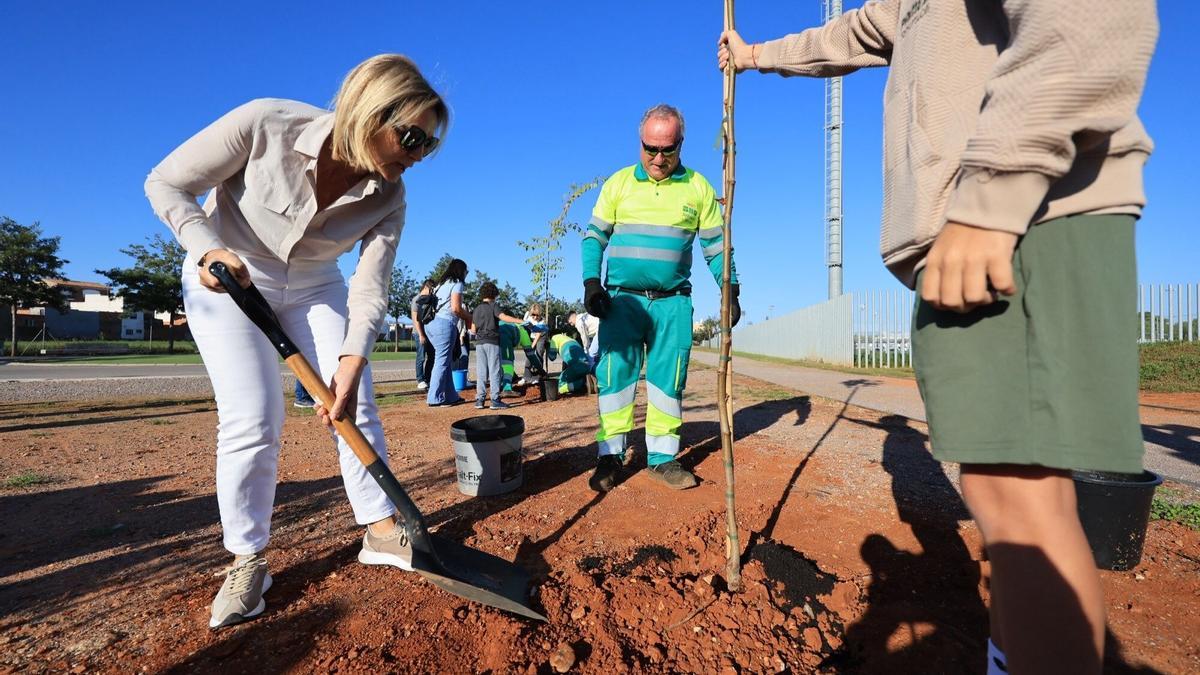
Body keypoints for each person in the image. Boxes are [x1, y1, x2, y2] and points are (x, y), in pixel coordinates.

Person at [719, 2, 1157, 672]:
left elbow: (1092, 15)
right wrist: (751, 56)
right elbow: (851, 33)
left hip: (1026, 215)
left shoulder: (999, 203)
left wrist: (990, 198)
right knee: (1009, 499)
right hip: (999, 219)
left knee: (1024, 504)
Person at [144, 54, 448, 629]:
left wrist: (354, 358)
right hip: (230, 274)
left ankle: (381, 528)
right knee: (253, 418)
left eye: (426, 146)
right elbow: (166, 182)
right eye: (410, 138)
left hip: (315, 284)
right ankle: (248, 558)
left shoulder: (391, 197)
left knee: (356, 402)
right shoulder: (265, 123)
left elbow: (370, 285)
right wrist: (206, 246)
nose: (415, 156)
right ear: (369, 112)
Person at [582, 103, 741, 492]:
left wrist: (730, 289)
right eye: (649, 148)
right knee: (615, 379)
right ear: (640, 143)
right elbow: (594, 238)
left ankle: (662, 459)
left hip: (673, 302)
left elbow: (716, 249)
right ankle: (610, 456)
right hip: (622, 302)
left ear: (680, 145)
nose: (657, 158)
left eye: (666, 150)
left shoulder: (698, 188)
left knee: (668, 381)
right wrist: (591, 284)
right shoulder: (618, 184)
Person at [470, 282, 524, 409]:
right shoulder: (493, 306)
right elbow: (503, 317)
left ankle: (480, 400)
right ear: (494, 294)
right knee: (495, 370)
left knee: (482, 371)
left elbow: (473, 329)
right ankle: (495, 400)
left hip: (479, 343)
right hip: (492, 342)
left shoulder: (477, 309)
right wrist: (520, 321)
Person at [426, 259, 472, 406]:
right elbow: (456, 308)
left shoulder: (441, 284)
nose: (466, 274)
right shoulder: (457, 284)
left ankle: (451, 396)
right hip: (444, 324)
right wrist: (470, 317)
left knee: (444, 361)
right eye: (466, 271)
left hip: (431, 324)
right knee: (441, 361)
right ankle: (434, 398)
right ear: (461, 271)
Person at [547, 331, 591, 395]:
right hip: (586, 366)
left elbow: (552, 357)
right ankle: (584, 381)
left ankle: (582, 384)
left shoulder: (554, 338)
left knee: (560, 384)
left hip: (577, 367)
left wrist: (549, 347)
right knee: (573, 375)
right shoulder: (571, 340)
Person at [410, 279, 435, 390]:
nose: (431, 292)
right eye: (430, 290)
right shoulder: (417, 299)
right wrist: (421, 334)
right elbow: (416, 320)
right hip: (419, 332)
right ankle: (420, 380)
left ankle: (428, 378)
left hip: (430, 333)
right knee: (421, 357)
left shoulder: (431, 300)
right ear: (425, 287)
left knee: (432, 356)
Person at [518, 303, 548, 385]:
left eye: (537, 315)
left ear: (540, 314)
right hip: (531, 336)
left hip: (541, 337)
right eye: (533, 315)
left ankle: (538, 376)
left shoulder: (542, 321)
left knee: (538, 354)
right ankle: (526, 376)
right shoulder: (527, 315)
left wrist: (532, 346)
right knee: (529, 356)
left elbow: (538, 335)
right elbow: (523, 327)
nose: (535, 317)